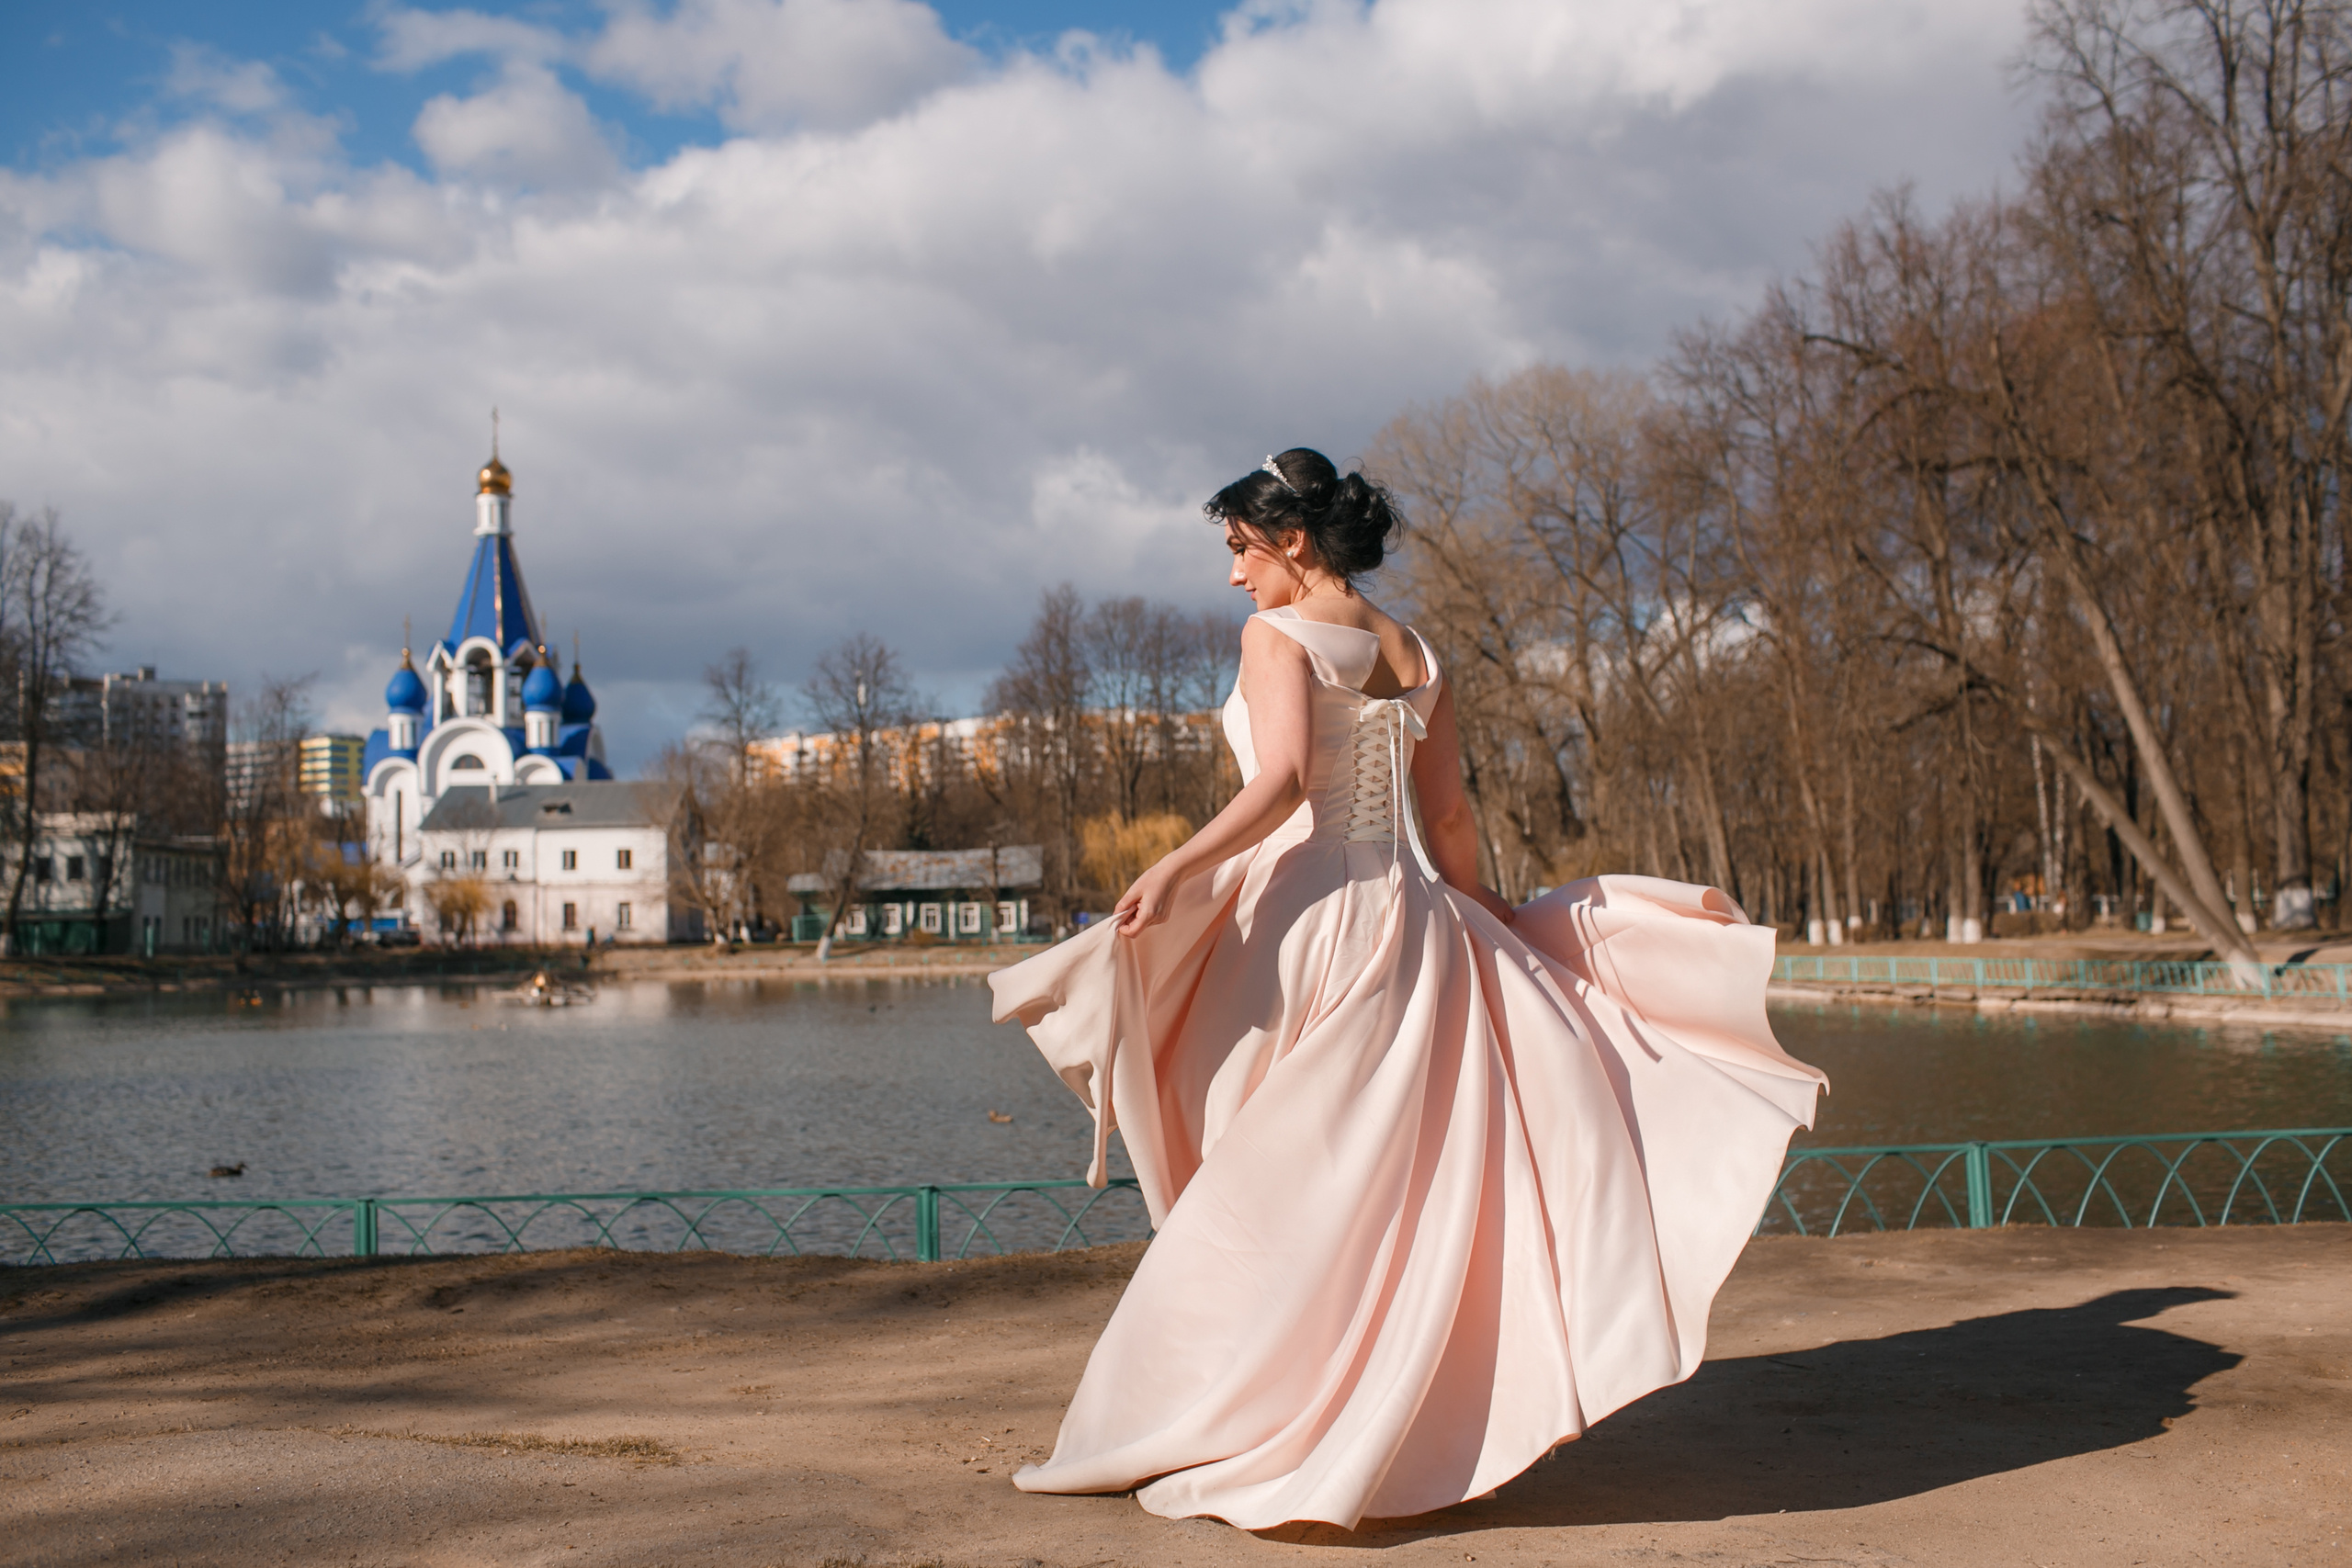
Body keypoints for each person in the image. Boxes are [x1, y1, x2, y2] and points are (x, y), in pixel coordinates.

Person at [989, 447, 1828, 1530]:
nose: (1235, 577)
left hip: (1309, 922)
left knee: (1267, 1173)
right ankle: (1356, 1409)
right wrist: (1490, 917)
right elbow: (1448, 822)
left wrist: (1168, 868)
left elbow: (1286, 779)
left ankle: (1215, 1413)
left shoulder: (1276, 636)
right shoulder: (1417, 649)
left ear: (1292, 540)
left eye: (1241, 550)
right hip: (1415, 920)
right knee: (1382, 1180)